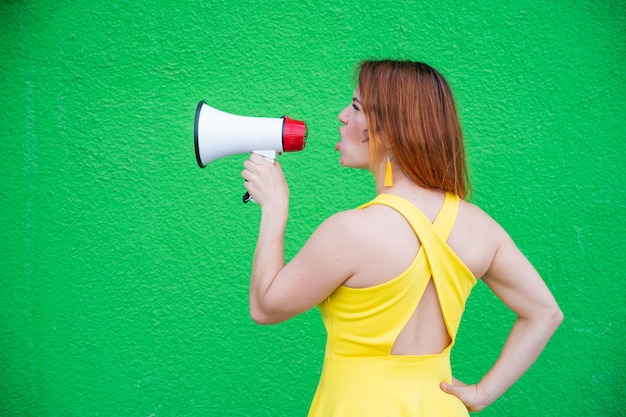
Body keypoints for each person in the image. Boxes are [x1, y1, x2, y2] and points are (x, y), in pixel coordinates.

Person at [241, 59, 563, 416]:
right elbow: (545, 313)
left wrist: (274, 209)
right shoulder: (480, 227)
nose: (342, 116)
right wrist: (482, 394)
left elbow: (265, 307)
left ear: (391, 131)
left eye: (356, 108)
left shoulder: (350, 230)